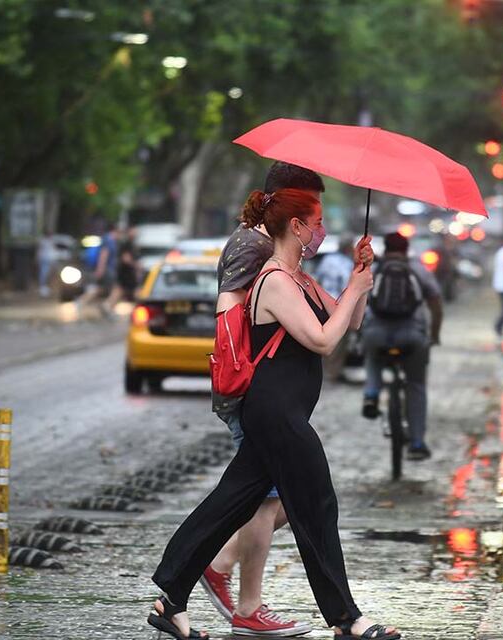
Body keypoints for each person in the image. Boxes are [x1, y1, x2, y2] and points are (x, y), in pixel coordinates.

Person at [149, 188, 399, 640]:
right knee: (317, 506)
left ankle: (170, 597)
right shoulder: (274, 281)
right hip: (276, 413)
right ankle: (347, 620)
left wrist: (361, 278)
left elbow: (351, 320)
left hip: (282, 413)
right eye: (317, 222)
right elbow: (324, 340)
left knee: (229, 505)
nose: (322, 231)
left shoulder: (301, 278)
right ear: (298, 227)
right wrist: (355, 290)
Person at [203, 162, 327, 638]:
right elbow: (232, 313)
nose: (316, 224)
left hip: (264, 390)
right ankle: (246, 603)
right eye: (310, 212)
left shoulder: (257, 242)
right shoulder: (254, 245)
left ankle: (219, 562)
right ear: (288, 205)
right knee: (268, 498)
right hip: (252, 388)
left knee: (283, 497)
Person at [360, 232, 443, 461]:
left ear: (385, 250)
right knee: (416, 384)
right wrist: (434, 335)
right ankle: (417, 443)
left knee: (372, 356)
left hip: (377, 334)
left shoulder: (374, 270)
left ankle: (371, 393)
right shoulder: (418, 270)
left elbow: (358, 299)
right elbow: (436, 303)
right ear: (407, 250)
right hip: (412, 337)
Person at [314, 235, 357, 381]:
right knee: (339, 342)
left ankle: (324, 371)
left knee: (324, 338)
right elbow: (347, 287)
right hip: (338, 306)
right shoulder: (347, 263)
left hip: (322, 304)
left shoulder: (327, 260)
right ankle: (333, 372)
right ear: (348, 248)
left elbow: (317, 279)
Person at [75, 221, 118, 317]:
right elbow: (104, 255)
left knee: (100, 288)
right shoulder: (109, 240)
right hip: (107, 270)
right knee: (117, 288)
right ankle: (106, 306)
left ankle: (82, 301)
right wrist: (100, 269)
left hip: (106, 269)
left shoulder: (105, 239)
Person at [36, 231, 57, 298]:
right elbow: (39, 251)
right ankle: (42, 287)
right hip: (44, 260)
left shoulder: (51, 241)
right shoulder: (43, 241)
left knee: (49, 274)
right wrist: (38, 259)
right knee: (43, 274)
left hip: (51, 260)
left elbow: (53, 251)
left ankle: (47, 287)